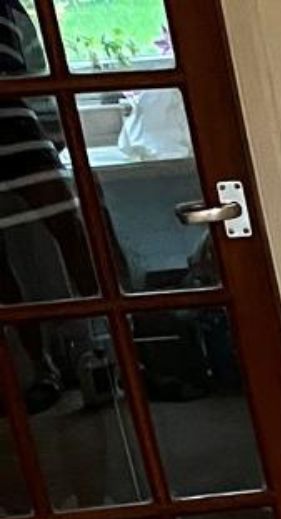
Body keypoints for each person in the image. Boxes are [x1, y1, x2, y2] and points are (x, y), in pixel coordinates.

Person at [1, 0, 100, 410]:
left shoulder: (13, 9)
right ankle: (42, 368)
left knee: (73, 229)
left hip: (19, 126)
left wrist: (58, 136)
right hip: (22, 127)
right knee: (2, 264)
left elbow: (39, 70)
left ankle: (102, 346)